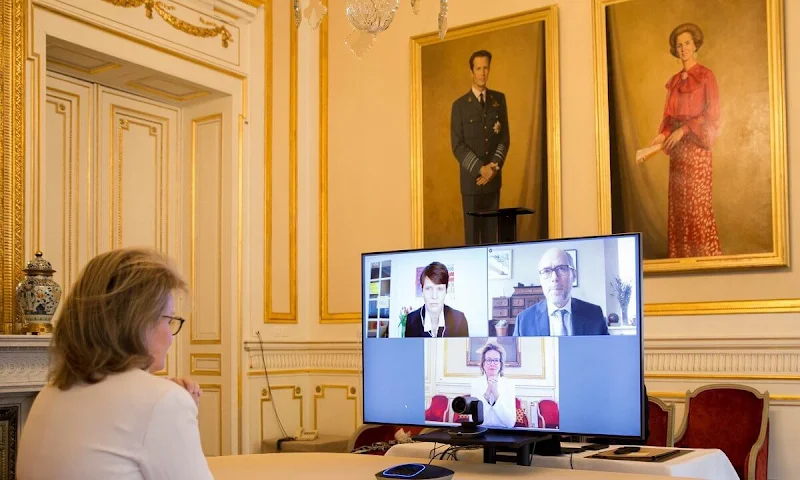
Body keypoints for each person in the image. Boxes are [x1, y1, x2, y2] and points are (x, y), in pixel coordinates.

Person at [17, 248, 214, 480]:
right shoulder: (163, 402)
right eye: (169, 319)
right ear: (138, 322)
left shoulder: (48, 394)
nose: (171, 336)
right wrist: (170, 404)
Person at [642, 23, 722, 258]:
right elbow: (669, 117)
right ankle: (681, 258)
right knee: (679, 208)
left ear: (695, 45)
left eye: (687, 43)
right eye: (679, 45)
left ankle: (705, 258)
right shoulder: (674, 81)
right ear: (675, 51)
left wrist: (685, 129)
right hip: (677, 152)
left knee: (697, 207)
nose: (684, 48)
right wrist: (662, 135)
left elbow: (713, 116)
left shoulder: (707, 76)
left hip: (697, 149)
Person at [451, 49, 510, 245]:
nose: (482, 73)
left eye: (486, 68)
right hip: (471, 183)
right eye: (478, 68)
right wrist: (480, 169)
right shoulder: (459, 106)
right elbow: (457, 145)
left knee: (491, 239)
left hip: (492, 180)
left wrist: (492, 168)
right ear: (471, 71)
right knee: (472, 239)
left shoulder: (498, 101)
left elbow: (504, 138)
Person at [514, 247, 608, 336]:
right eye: (546, 271)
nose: (554, 278)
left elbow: (607, 351)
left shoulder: (595, 314)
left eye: (561, 269)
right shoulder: (523, 321)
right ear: (540, 280)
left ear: (574, 275)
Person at [404, 262, 469, 337]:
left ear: (446, 291)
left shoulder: (459, 319)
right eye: (428, 288)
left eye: (440, 289)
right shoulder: (411, 320)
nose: (434, 296)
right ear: (422, 290)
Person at [469, 342, 516, 429]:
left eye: (496, 360)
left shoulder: (509, 384)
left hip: (503, 434)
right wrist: (487, 393)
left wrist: (495, 393)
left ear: (501, 364)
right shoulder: (475, 384)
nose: (492, 364)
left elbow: (510, 423)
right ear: (483, 363)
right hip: (480, 433)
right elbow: (473, 420)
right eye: (489, 360)